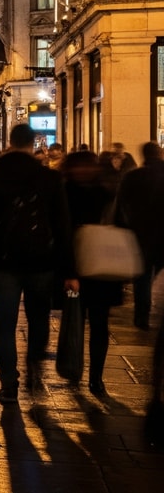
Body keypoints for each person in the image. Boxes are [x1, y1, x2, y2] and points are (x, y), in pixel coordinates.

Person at [0, 123, 78, 405]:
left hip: (3, 261)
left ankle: (9, 382)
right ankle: (34, 368)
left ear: (10, 141)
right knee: (38, 318)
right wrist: (69, 270)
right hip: (41, 260)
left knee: (4, 324)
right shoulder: (49, 178)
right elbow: (62, 226)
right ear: (33, 144)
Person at [61, 150, 124, 396]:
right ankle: (89, 376)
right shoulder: (105, 191)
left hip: (85, 269)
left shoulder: (67, 192)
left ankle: (89, 375)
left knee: (87, 322)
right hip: (94, 268)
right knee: (91, 324)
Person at [117, 141, 164, 331]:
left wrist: (124, 227)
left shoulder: (133, 176)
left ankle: (141, 316)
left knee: (142, 278)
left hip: (140, 234)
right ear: (160, 153)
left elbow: (121, 204)